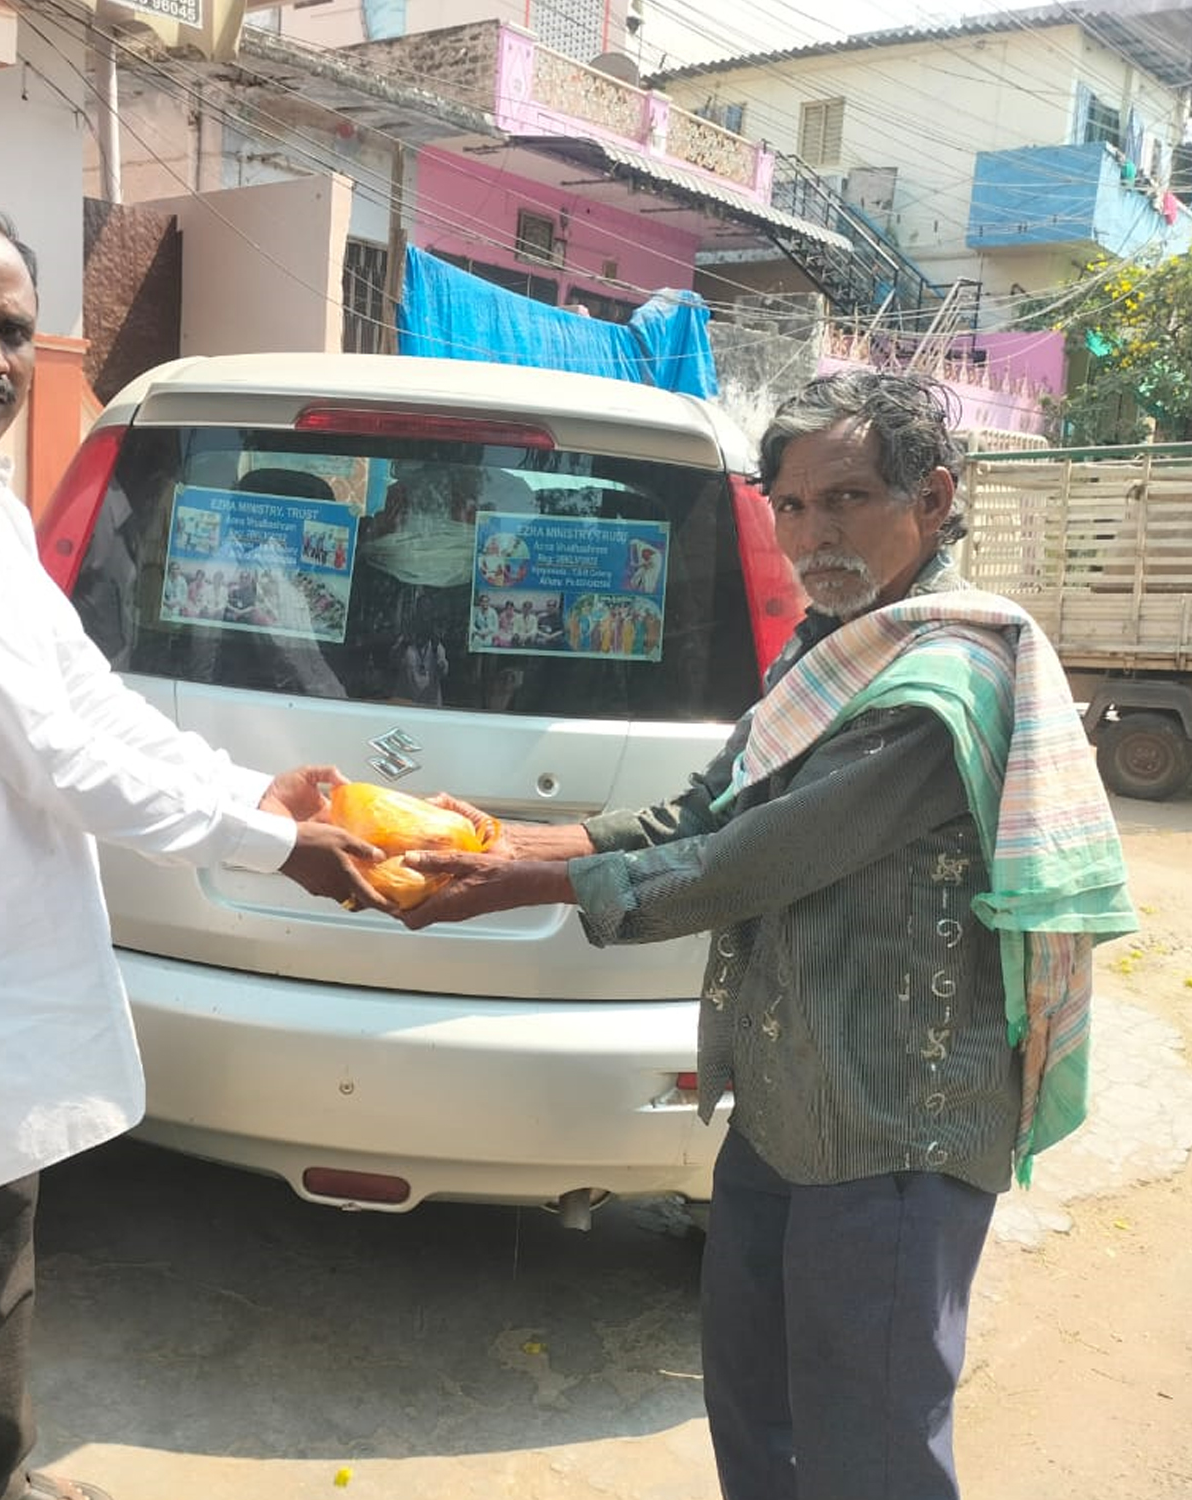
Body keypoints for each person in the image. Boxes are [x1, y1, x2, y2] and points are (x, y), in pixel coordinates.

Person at [396, 370, 1136, 1500]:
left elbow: (745, 862)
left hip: (895, 1130)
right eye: (789, 505)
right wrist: (507, 838)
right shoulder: (830, 647)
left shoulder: (938, 682)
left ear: (934, 499)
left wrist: (516, 886)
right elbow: (706, 808)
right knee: (756, 1415)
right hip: (786, 1103)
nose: (811, 534)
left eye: (844, 499)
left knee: (867, 1452)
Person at [0, 186, 388, 1500]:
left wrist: (257, 798)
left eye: (10, 329)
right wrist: (268, 848)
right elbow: (54, 748)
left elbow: (87, 696)